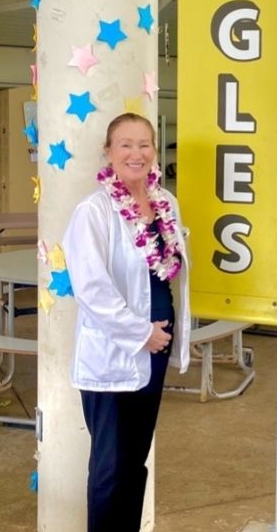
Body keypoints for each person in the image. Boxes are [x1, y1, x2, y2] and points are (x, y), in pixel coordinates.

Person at [62, 113, 191, 531]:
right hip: (116, 351)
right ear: (108, 152)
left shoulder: (166, 203)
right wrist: (142, 333)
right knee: (110, 469)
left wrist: (162, 336)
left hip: (156, 347)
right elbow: (92, 288)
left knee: (135, 461)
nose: (136, 154)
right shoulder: (94, 211)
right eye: (125, 145)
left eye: (144, 144)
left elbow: (168, 272)